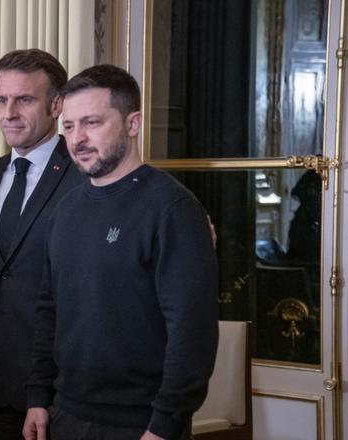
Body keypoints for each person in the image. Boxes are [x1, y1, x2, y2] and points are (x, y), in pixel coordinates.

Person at [23, 64, 219, 440]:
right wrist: (38, 395)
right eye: (69, 126)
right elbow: (49, 309)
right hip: (63, 413)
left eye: (92, 123)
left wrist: (165, 424)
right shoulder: (66, 208)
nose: (77, 138)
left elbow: (191, 331)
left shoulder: (173, 209)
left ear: (133, 124)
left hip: (142, 423)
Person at [0, 49, 85, 440]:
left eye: (24, 99)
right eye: (2, 100)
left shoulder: (84, 175)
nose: (8, 113)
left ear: (56, 105)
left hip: (62, 388)